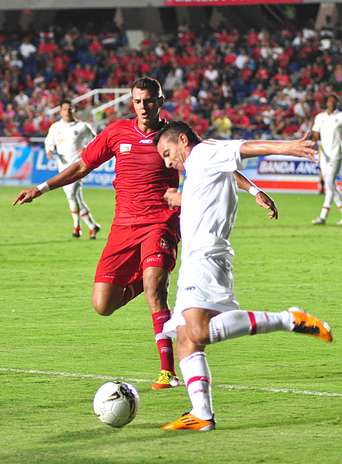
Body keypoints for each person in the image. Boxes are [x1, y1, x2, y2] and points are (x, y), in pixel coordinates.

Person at [154, 121, 333, 431]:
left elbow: (243, 148)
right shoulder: (202, 162)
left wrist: (287, 147)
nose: (168, 162)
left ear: (182, 140)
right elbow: (226, 170)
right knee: (185, 338)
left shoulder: (203, 153)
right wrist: (254, 190)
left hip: (207, 256)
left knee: (197, 332)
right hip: (195, 260)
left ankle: (288, 319)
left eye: (168, 153)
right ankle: (202, 414)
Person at [13, 77, 180, 390]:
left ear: (161, 100)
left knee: (157, 291)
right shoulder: (117, 132)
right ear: (132, 103)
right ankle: (145, 284)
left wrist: (252, 190)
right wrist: (41, 187)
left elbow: (210, 162)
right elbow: (81, 166)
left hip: (161, 221)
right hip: (123, 226)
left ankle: (168, 372)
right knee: (103, 305)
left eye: (149, 101)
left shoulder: (175, 134)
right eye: (138, 101)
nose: (143, 107)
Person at [44, 100, 100, 238]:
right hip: (62, 166)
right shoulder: (55, 127)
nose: (68, 111)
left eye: (70, 109)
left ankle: (76, 226)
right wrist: (50, 150)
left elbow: (96, 140)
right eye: (65, 109)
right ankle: (92, 226)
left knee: (70, 195)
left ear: (74, 110)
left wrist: (87, 150)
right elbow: (49, 141)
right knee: (77, 198)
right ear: (60, 111)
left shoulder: (82, 127)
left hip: (78, 167)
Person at [311, 94, 342, 225]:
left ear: (337, 104)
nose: (331, 103)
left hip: (337, 153)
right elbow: (315, 135)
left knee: (329, 182)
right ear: (326, 103)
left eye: (334, 101)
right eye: (329, 101)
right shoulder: (320, 117)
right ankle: (323, 216)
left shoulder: (340, 116)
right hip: (324, 154)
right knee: (330, 185)